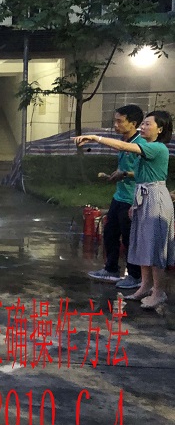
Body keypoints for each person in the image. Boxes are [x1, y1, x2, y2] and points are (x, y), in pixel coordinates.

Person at [74, 110, 174, 309]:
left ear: (160, 129)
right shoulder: (148, 147)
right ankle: (144, 286)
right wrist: (135, 203)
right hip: (143, 196)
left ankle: (158, 292)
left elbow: (123, 146)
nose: (143, 127)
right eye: (143, 124)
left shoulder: (157, 148)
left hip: (155, 198)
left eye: (148, 124)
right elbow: (139, 175)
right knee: (141, 244)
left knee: (154, 247)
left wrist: (95, 138)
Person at [87, 105, 145, 290]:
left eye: (120, 121)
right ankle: (111, 269)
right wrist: (116, 174)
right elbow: (126, 168)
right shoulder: (124, 140)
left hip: (133, 198)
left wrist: (125, 174)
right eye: (115, 121)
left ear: (133, 123)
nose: (115, 125)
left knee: (129, 238)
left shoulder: (141, 145)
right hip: (119, 196)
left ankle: (135, 275)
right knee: (110, 233)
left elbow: (146, 173)